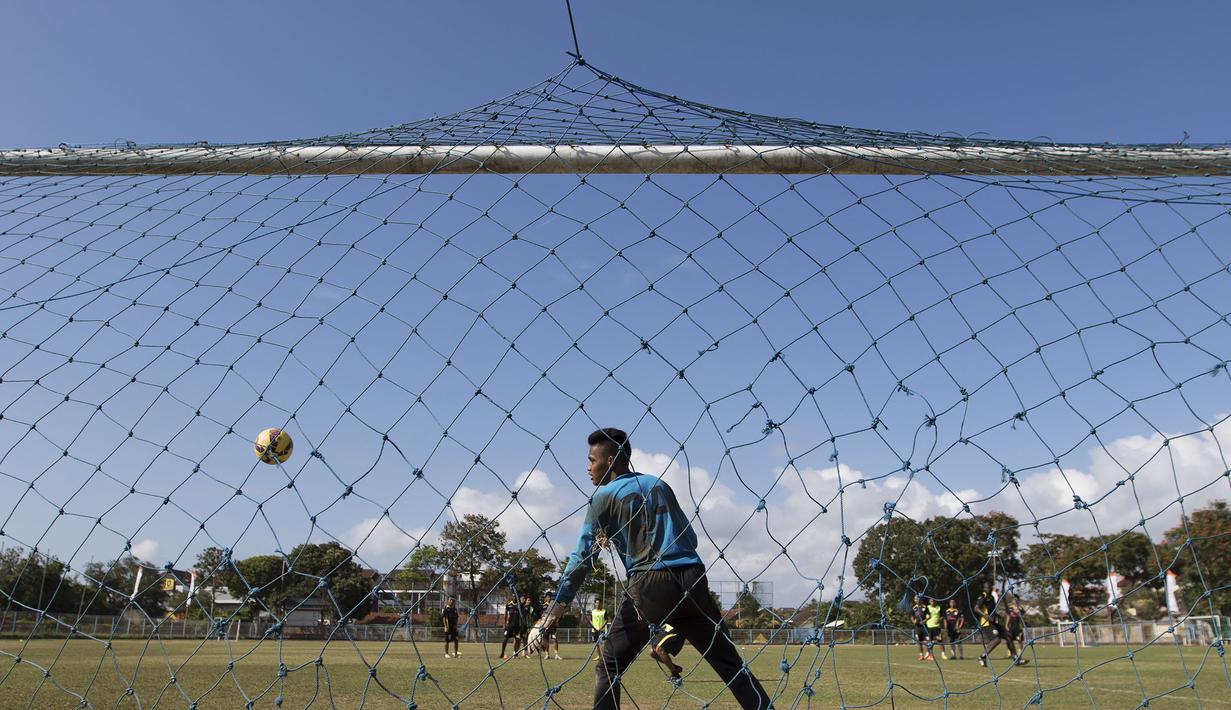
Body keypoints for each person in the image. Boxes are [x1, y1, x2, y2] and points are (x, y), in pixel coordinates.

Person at [525, 427, 771, 709]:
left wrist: (550, 614)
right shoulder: (659, 485)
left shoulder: (603, 498)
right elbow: (690, 538)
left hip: (650, 583)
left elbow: (581, 559)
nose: (587, 467)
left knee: (609, 667)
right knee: (731, 666)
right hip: (692, 578)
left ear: (612, 460)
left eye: (592, 460)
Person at [975, 584, 1026, 667]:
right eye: (985, 587)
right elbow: (976, 608)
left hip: (994, 622)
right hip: (986, 623)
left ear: (991, 588)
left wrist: (999, 616)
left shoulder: (991, 598)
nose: (987, 589)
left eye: (988, 587)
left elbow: (992, 611)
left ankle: (1016, 659)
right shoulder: (983, 597)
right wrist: (986, 616)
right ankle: (982, 656)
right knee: (997, 639)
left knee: (1008, 636)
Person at [911, 595, 929, 661]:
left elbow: (928, 615)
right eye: (915, 599)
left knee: (928, 640)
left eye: (918, 599)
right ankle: (921, 655)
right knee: (919, 641)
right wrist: (914, 621)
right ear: (914, 600)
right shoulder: (914, 608)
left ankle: (928, 653)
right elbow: (912, 616)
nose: (917, 600)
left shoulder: (925, 607)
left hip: (924, 627)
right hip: (917, 627)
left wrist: (924, 621)